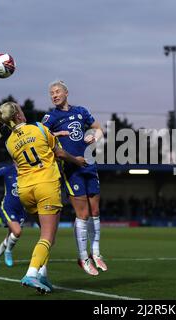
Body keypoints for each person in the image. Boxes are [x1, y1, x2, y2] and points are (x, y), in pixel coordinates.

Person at [0, 101, 86, 294]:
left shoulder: (9, 142)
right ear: (19, 116)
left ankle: (43, 275)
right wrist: (77, 160)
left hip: (25, 191)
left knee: (46, 236)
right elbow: (59, 153)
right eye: (21, 109)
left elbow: (20, 162)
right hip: (46, 186)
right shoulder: (38, 127)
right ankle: (31, 273)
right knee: (48, 237)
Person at [42, 80, 106, 276]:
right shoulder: (51, 116)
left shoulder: (81, 111)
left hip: (89, 164)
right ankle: (82, 257)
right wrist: (56, 133)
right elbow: (41, 137)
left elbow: (99, 129)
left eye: (57, 91)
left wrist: (94, 137)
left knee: (95, 211)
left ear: (66, 93)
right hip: (71, 168)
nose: (54, 95)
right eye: (51, 93)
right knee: (83, 214)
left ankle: (96, 253)